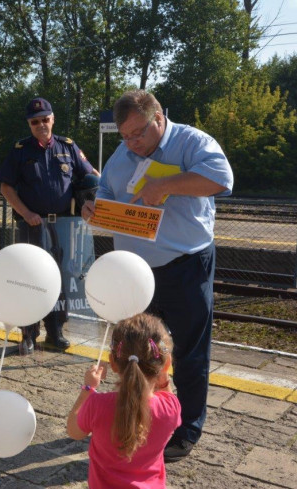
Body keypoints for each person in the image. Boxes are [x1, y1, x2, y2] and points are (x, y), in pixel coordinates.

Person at [82, 89, 234, 462]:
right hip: (136, 275)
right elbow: (105, 190)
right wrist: (94, 206)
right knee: (137, 352)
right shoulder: (122, 156)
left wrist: (166, 185)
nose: (132, 143)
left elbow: (222, 179)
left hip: (185, 266)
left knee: (187, 353)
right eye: (125, 136)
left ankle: (186, 430)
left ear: (159, 118)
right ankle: (139, 417)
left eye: (138, 133)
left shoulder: (191, 141)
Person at [0, 97, 96, 352]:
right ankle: (28, 334)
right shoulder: (20, 151)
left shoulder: (68, 147)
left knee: (60, 279)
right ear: (29, 124)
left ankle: (55, 331)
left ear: (52, 119)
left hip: (63, 226)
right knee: (31, 279)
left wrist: (96, 198)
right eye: (35, 121)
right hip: (32, 225)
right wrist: (26, 212)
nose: (41, 124)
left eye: (45, 119)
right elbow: (6, 187)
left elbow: (91, 175)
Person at [66, 313, 180, 488]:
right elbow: (166, 394)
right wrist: (164, 376)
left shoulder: (98, 404)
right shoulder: (170, 408)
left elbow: (74, 431)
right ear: (166, 365)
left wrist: (87, 389)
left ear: (113, 362)